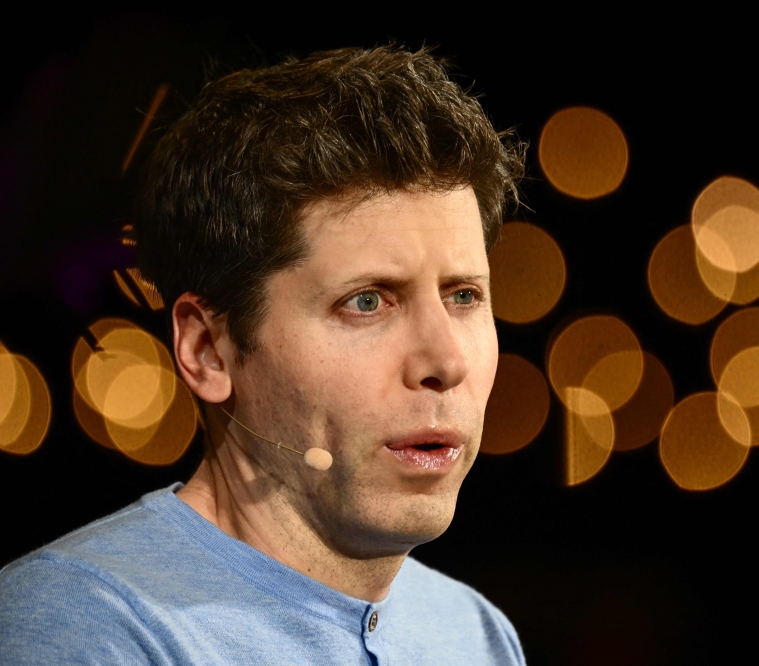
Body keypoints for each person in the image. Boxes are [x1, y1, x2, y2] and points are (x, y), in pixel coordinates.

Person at [0, 45, 526, 665]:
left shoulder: (477, 636)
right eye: (367, 303)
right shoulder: (83, 628)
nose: (446, 361)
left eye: (464, 296)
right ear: (207, 349)